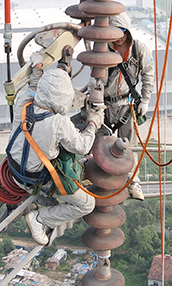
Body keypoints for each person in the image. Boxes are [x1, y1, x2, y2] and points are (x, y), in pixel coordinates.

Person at [6, 64, 103, 245]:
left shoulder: (23, 102)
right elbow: (83, 146)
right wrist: (93, 123)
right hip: (36, 181)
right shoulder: (58, 123)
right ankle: (40, 219)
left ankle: (35, 204)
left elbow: (33, 88)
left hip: (14, 172)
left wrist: (37, 73)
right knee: (86, 204)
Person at [103, 12, 154, 200]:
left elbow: (149, 75)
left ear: (127, 31)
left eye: (122, 32)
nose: (118, 37)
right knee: (100, 143)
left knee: (128, 146)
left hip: (126, 104)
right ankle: (103, 178)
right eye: (114, 33)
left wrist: (146, 100)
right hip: (105, 105)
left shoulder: (139, 49)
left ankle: (133, 183)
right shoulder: (103, 48)